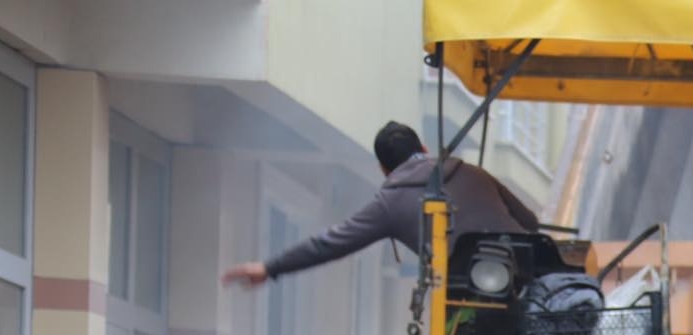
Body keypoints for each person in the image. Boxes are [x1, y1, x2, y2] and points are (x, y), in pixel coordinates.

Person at [220, 122, 538, 287]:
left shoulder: (391, 201)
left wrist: (269, 267)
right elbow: (531, 222)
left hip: (473, 307)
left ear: (384, 169)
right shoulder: (473, 172)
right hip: (534, 276)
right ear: (424, 148)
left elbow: (329, 244)